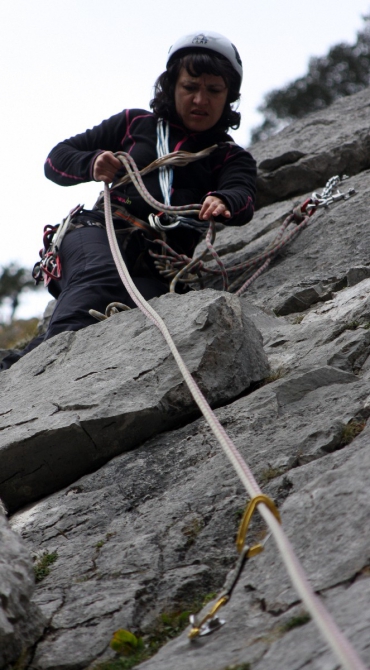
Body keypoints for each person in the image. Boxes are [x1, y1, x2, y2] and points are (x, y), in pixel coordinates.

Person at [1, 30, 256, 370]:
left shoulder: (228, 156)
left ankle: (19, 369)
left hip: (160, 265)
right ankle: (45, 377)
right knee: (100, 277)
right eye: (190, 87)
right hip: (99, 231)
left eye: (213, 90)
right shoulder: (135, 123)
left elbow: (243, 194)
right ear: (172, 87)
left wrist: (224, 200)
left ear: (229, 97)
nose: (200, 100)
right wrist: (91, 163)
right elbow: (56, 159)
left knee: (136, 309)